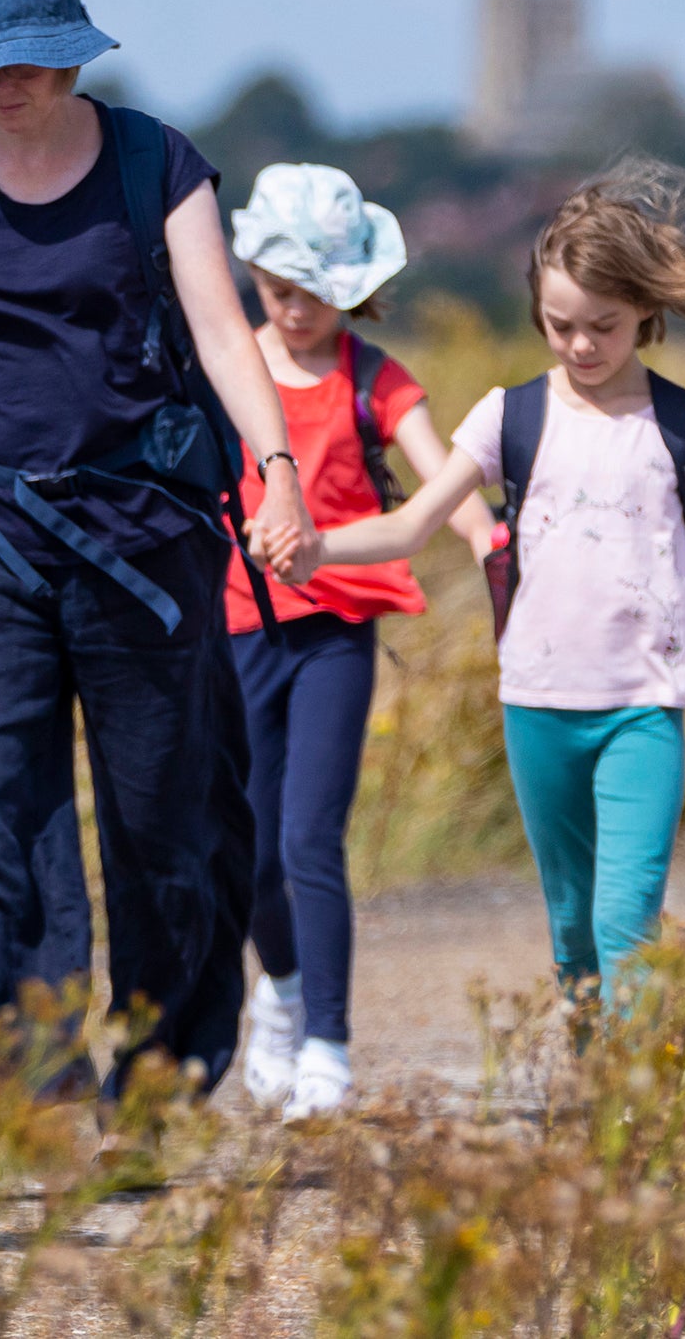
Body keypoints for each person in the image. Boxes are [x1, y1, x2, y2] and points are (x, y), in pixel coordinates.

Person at [0, 0, 316, 1183]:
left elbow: (224, 332)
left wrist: (278, 475)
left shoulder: (157, 165)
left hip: (144, 545)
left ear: (70, 51)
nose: (1, 87)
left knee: (164, 828)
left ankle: (155, 1091)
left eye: (24, 64)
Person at [269, 162, 685, 1009]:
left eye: (602, 327)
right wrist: (315, 549)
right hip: (536, 703)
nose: (581, 346)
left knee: (626, 929)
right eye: (559, 325)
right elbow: (414, 524)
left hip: (645, 709)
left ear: (645, 310)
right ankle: (591, 1091)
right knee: (574, 931)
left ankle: (627, 1118)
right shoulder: (512, 417)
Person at [220, 163, 492, 1121]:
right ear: (253, 277)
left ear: (352, 294)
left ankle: (329, 1041)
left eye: (318, 295)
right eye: (279, 291)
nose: (295, 312)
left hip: (337, 622)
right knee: (245, 845)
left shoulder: (372, 376)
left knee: (308, 836)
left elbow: (443, 479)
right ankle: (281, 989)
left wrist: (485, 537)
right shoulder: (232, 365)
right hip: (237, 620)